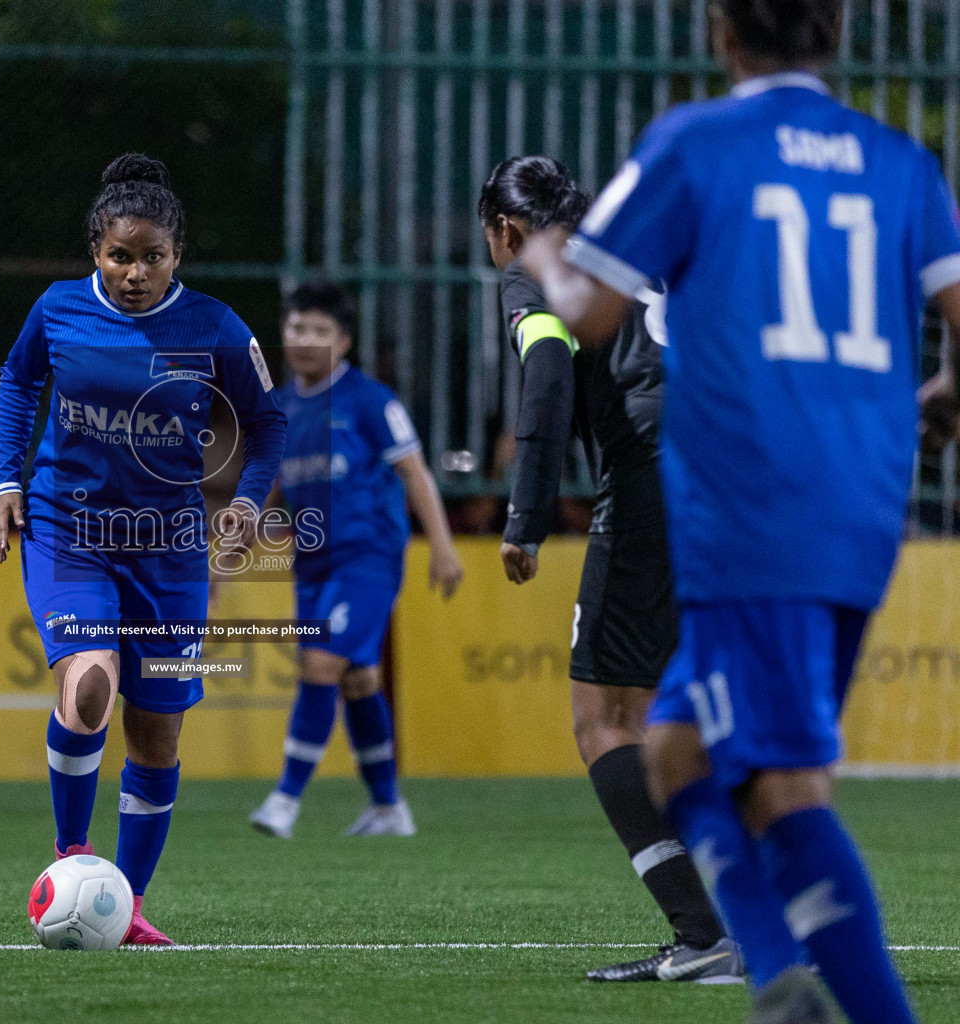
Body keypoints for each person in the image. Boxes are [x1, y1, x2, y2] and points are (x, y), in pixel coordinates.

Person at [522, 1, 960, 1019]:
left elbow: (585, 312)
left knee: (785, 786)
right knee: (683, 750)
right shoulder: (902, 164)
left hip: (748, 504)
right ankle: (776, 972)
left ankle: (815, 986)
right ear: (839, 31)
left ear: (724, 33)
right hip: (864, 502)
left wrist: (540, 255)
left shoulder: (697, 143)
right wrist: (942, 393)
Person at [0, 153, 285, 945]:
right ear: (96, 251)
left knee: (156, 733)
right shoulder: (57, 310)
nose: (134, 273)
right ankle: (72, 856)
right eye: (120, 256)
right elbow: (18, 383)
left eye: (151, 257)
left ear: (176, 255)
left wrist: (250, 506)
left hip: (168, 548)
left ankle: (126, 905)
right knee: (89, 687)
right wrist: (5, 483)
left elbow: (266, 426)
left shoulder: (216, 327)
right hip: (70, 533)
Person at [481, 156, 737, 984]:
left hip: (654, 466)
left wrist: (525, 517)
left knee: (605, 718)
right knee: (694, 707)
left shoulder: (533, 269)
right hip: (740, 461)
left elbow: (548, 379)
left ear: (507, 230)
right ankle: (764, 912)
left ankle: (705, 934)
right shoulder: (645, 252)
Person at [247, 283, 463, 839]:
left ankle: (285, 800)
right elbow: (269, 488)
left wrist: (441, 546)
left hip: (369, 556)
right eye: (297, 329)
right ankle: (389, 808)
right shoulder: (281, 409)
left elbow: (414, 472)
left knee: (320, 664)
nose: (306, 341)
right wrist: (227, 558)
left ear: (344, 342)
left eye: (321, 331)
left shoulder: (372, 401)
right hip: (312, 564)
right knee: (359, 679)